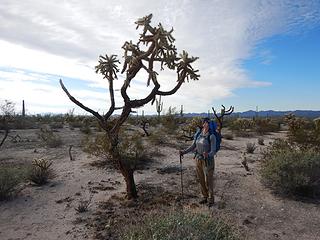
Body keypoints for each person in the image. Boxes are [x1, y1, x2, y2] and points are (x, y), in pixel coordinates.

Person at [179, 117, 217, 206]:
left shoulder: (212, 136)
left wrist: (208, 154)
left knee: (209, 180)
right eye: (204, 122)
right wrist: (184, 152)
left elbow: (213, 151)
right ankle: (204, 196)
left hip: (208, 161)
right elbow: (193, 146)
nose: (205, 124)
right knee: (201, 179)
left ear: (210, 125)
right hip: (198, 159)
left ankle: (211, 199)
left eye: (207, 123)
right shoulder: (199, 134)